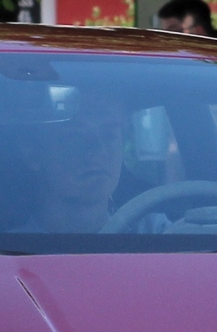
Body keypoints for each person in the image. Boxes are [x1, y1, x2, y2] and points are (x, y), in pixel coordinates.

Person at [13, 94, 132, 232]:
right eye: (76, 136)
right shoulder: (1, 248)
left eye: (109, 135)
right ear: (33, 154)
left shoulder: (156, 232)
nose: (99, 150)